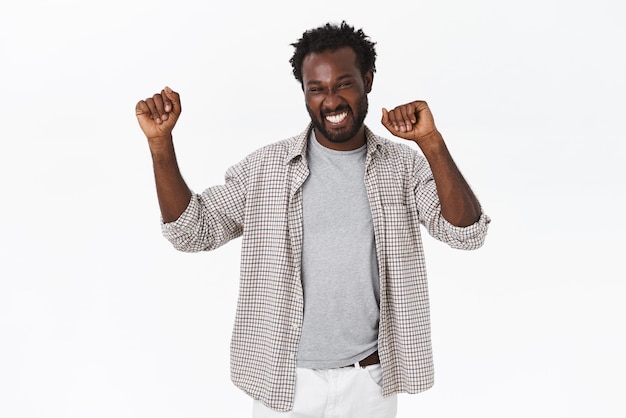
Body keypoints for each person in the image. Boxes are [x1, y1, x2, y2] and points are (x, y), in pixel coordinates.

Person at [135, 21, 490, 418]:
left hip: (368, 383)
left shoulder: (403, 167)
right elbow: (191, 231)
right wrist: (160, 144)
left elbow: (466, 234)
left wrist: (431, 142)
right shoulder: (266, 169)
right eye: (316, 88)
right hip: (286, 384)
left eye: (344, 84)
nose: (331, 101)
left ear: (368, 80)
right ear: (304, 93)